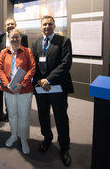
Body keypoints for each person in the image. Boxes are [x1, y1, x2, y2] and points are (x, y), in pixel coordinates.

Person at [31, 15, 73, 167]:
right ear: (41, 26)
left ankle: (64, 147)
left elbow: (65, 64)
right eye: (44, 24)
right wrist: (39, 81)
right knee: (43, 114)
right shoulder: (36, 43)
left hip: (57, 86)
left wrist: (48, 80)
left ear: (54, 26)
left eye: (50, 24)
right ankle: (47, 139)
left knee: (60, 117)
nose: (47, 27)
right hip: (41, 87)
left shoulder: (63, 41)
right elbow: (33, 64)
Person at [0, 29, 36, 154]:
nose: (14, 39)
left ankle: (23, 139)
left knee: (24, 116)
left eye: (16, 37)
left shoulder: (27, 51)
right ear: (8, 38)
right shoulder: (4, 52)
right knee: (12, 115)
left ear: (20, 38)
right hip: (9, 89)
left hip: (24, 90)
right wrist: (6, 84)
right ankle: (14, 135)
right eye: (12, 37)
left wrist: (22, 84)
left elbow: (32, 68)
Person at [0, 17, 29, 122]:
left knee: (19, 91)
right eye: (7, 24)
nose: (10, 26)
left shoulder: (23, 37)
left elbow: (25, 53)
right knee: (8, 92)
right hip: (6, 70)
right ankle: (9, 112)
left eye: (12, 24)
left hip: (19, 69)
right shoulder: (0, 38)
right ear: (5, 27)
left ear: (15, 25)